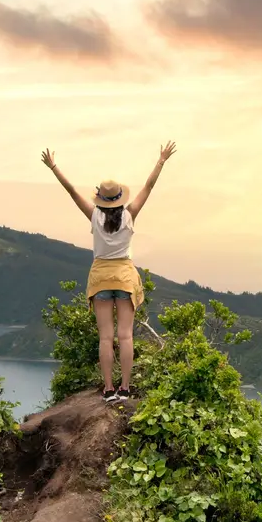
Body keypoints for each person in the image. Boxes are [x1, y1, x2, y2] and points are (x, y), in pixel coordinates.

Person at [40, 141, 177, 402]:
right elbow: (149, 187)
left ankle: (108, 389)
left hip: (100, 277)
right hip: (125, 277)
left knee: (106, 337)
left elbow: (70, 191)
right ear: (119, 199)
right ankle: (125, 388)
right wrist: (161, 161)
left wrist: (54, 167)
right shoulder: (130, 215)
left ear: (101, 199)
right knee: (125, 336)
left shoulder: (93, 216)